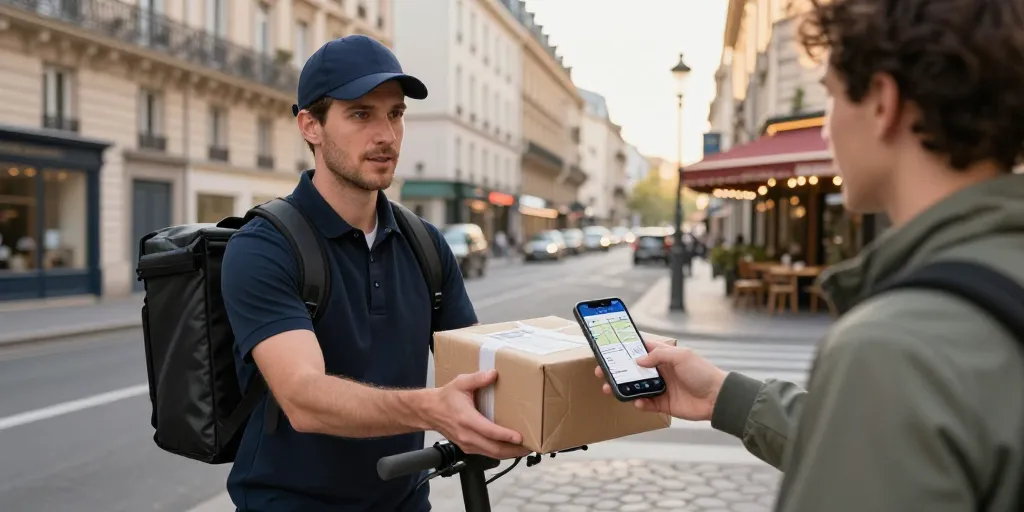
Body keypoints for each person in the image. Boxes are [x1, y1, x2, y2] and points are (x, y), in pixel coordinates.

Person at [600, 0, 1024, 509]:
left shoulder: (894, 346)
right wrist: (723, 396)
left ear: (883, 103)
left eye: (831, 97)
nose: (826, 130)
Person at [220, 35, 530, 512]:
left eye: (395, 113)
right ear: (311, 126)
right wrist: (430, 408)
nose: (386, 135)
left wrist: (559, 393)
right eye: (361, 114)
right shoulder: (263, 247)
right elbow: (303, 398)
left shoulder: (425, 243)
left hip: (407, 501)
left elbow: (478, 370)